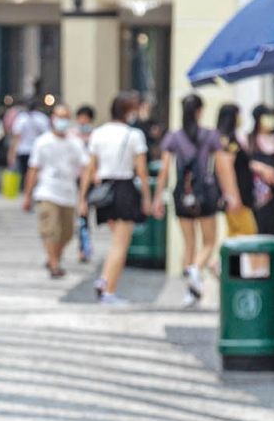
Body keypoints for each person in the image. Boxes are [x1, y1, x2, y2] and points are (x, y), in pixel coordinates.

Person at [79, 93, 161, 307]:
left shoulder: (98, 133)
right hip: (124, 189)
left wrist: (82, 198)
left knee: (116, 240)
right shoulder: (134, 135)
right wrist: (147, 197)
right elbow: (141, 170)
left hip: (104, 190)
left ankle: (104, 280)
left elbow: (89, 168)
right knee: (120, 244)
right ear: (128, 111)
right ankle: (108, 288)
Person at [161, 94, 222, 307]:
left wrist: (157, 197)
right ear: (199, 111)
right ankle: (196, 270)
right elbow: (220, 166)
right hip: (205, 193)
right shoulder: (211, 136)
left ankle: (190, 290)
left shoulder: (174, 137)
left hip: (181, 194)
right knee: (209, 241)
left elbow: (165, 168)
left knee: (188, 243)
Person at [22, 106, 88, 278]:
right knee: (50, 230)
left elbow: (85, 168)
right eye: (60, 117)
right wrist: (27, 195)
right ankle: (54, 265)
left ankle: (54, 256)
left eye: (66, 117)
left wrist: (83, 196)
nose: (62, 121)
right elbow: (33, 169)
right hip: (47, 191)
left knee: (66, 233)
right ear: (52, 118)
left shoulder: (75, 143)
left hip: (67, 193)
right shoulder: (42, 142)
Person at [213, 104, 258, 238]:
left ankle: (230, 260)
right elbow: (224, 169)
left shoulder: (229, 139)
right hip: (238, 198)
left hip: (239, 196)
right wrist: (232, 196)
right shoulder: (227, 140)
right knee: (250, 236)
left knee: (233, 236)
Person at [250, 104, 274, 236]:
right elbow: (242, 164)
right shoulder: (248, 140)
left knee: (272, 228)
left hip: (273, 194)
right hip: (253, 194)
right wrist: (261, 168)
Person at [71, 106, 97, 263]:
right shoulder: (72, 135)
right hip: (75, 177)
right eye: (81, 117)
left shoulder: (95, 135)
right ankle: (83, 246)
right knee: (80, 213)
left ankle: (84, 246)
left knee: (84, 213)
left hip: (91, 178)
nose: (83, 121)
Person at [6, 99, 49, 190]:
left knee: (27, 172)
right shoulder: (41, 118)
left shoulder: (21, 118)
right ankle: (31, 189)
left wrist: (12, 152)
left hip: (24, 150)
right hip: (33, 150)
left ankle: (28, 188)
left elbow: (16, 137)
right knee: (35, 172)